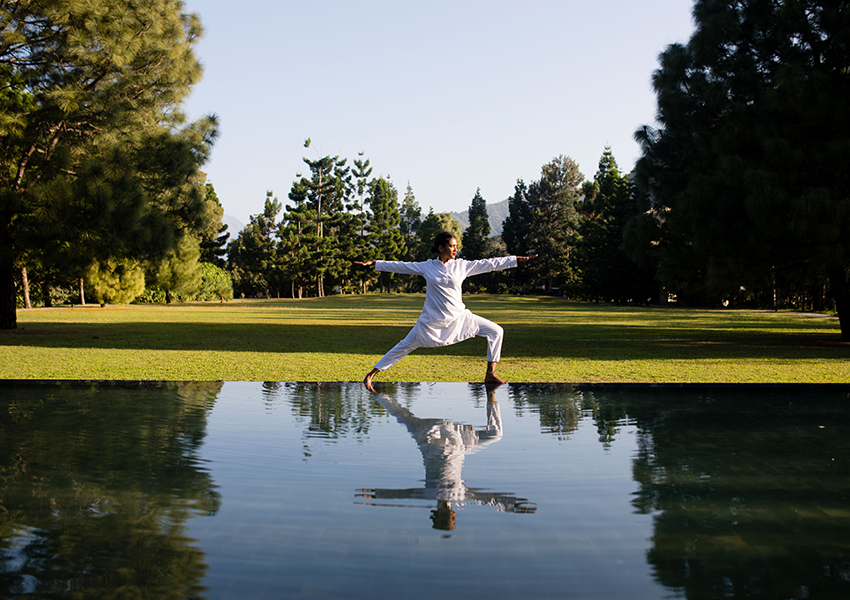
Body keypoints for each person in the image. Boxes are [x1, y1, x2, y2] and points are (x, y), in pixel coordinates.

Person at [355, 231, 535, 390]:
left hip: (460, 318)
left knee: (496, 331)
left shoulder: (462, 265)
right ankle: (371, 374)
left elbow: (490, 263)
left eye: (456, 246)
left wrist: (515, 259)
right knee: (404, 346)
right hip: (431, 322)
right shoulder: (427, 266)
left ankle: (490, 374)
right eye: (451, 246)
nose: (455, 250)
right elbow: (400, 266)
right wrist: (375, 263)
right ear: (440, 248)